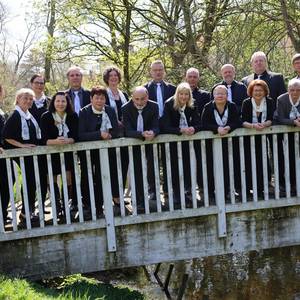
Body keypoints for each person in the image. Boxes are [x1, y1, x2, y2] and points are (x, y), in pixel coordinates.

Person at [2, 88, 47, 226]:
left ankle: (27, 211)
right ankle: (25, 213)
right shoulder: (15, 115)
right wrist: (21, 145)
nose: (28, 101)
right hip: (20, 155)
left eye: (30, 99)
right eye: (25, 98)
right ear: (18, 99)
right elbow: (6, 136)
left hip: (30, 155)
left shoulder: (28, 115)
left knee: (32, 182)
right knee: (28, 182)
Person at [78, 86, 118, 218]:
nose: (99, 101)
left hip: (106, 152)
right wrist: (99, 134)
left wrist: (110, 135)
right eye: (97, 98)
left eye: (102, 98)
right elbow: (81, 135)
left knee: (104, 178)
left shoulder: (110, 111)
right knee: (88, 178)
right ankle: (89, 205)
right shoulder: (84, 112)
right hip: (89, 153)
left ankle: (101, 205)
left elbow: (116, 130)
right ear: (91, 99)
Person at [161, 82, 201, 207]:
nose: (184, 97)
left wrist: (193, 128)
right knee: (174, 168)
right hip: (173, 141)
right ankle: (176, 195)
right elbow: (165, 126)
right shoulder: (169, 104)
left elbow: (198, 123)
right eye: (181, 94)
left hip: (186, 143)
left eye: (186, 94)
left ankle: (187, 192)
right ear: (177, 94)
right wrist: (180, 130)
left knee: (187, 167)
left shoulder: (192, 105)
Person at [40, 92, 79, 220]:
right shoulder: (46, 117)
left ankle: (66, 205)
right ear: (53, 102)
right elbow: (42, 139)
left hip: (67, 152)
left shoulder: (73, 116)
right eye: (58, 101)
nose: (60, 104)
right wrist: (55, 142)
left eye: (63, 101)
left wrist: (70, 140)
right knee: (52, 178)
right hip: (51, 153)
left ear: (67, 103)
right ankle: (57, 207)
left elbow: (76, 136)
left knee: (68, 178)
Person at [122, 86, 159, 212]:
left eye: (142, 99)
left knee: (151, 169)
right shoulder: (125, 108)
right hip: (134, 142)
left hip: (150, 142)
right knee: (137, 172)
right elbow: (127, 130)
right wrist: (141, 134)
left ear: (147, 97)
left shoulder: (153, 106)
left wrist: (153, 132)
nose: (139, 102)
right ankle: (138, 201)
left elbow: (156, 125)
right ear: (132, 98)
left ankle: (153, 194)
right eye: (136, 99)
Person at [201, 85, 241, 200]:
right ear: (213, 95)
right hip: (211, 144)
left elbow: (237, 122)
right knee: (210, 168)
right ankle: (210, 192)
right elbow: (204, 124)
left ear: (227, 95)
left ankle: (226, 191)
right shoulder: (208, 107)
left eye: (222, 93)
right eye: (217, 93)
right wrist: (216, 128)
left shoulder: (232, 106)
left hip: (228, 144)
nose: (220, 96)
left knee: (227, 167)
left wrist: (228, 127)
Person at [144, 60, 176, 199]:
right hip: (151, 128)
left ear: (164, 71)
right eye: (155, 70)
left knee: (170, 160)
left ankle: (169, 189)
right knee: (151, 162)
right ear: (151, 72)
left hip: (169, 127)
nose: (158, 72)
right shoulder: (144, 89)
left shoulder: (173, 89)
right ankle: (153, 191)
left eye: (160, 69)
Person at [241, 80, 275, 198]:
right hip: (248, 138)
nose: (258, 92)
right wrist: (253, 126)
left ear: (265, 91)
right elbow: (242, 121)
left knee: (263, 161)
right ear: (251, 91)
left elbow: (271, 118)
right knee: (249, 162)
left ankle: (263, 187)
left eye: (260, 90)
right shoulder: (246, 102)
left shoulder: (269, 102)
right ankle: (249, 188)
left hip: (263, 137)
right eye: (255, 90)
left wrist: (264, 125)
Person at [102, 66, 129, 207]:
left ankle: (119, 194)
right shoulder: (104, 94)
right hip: (111, 134)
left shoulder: (123, 94)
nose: (113, 77)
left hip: (124, 134)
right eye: (111, 75)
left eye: (116, 75)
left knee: (124, 165)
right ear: (107, 78)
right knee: (112, 166)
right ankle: (112, 195)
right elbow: (103, 111)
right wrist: (115, 121)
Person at [275, 78, 300, 195]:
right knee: (289, 160)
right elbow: (280, 118)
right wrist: (294, 122)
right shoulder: (281, 99)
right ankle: (291, 184)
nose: (295, 92)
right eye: (292, 90)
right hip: (286, 136)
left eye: (298, 90)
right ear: (288, 90)